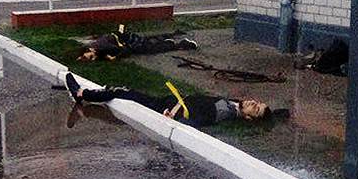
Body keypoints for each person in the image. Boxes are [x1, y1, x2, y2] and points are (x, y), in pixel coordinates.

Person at [64, 73, 273, 128]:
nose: (254, 104)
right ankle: (89, 93)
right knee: (125, 92)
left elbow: (199, 120)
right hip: (171, 101)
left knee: (123, 92)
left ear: (248, 118)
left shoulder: (224, 111)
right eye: (257, 102)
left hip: (167, 108)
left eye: (256, 109)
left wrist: (174, 118)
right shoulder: (233, 104)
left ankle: (81, 94)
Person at [78, 26, 199, 62]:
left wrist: (115, 58)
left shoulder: (102, 47)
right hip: (126, 37)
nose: (93, 59)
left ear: (90, 50)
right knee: (148, 41)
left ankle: (182, 44)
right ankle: (170, 39)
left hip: (129, 41)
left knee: (150, 49)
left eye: (89, 57)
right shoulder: (96, 46)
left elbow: (126, 51)